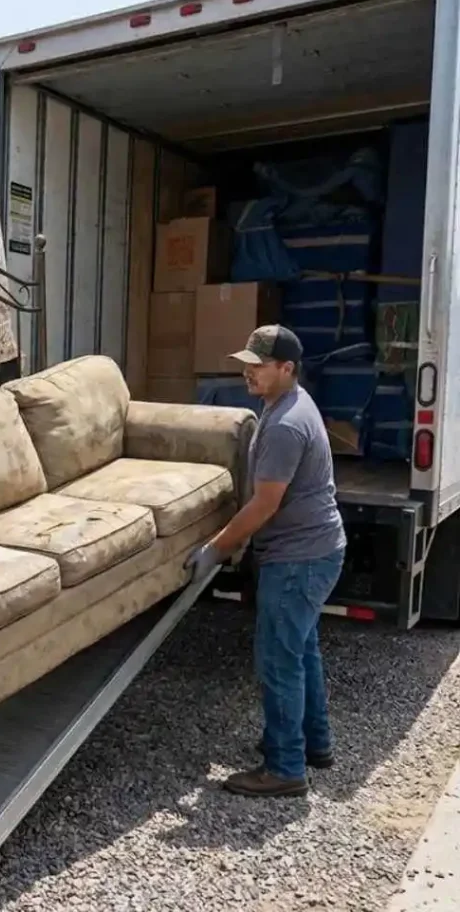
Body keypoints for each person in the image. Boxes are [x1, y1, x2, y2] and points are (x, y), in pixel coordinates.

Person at [184, 325, 345, 799]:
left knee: (278, 660)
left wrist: (216, 548)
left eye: (258, 365)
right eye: (246, 364)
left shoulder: (286, 425)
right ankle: (314, 744)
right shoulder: (284, 404)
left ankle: (285, 767)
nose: (248, 372)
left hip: (298, 558)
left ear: (287, 368)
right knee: (301, 650)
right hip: (313, 551)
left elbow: (264, 505)